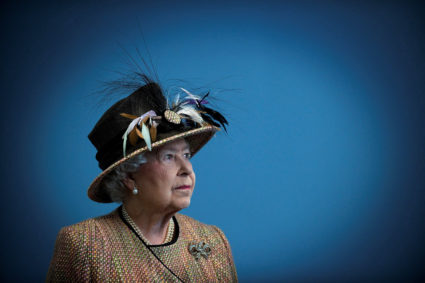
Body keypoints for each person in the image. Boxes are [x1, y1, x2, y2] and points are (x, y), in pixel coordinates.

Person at [46, 76, 238, 282]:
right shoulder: (84, 244)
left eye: (186, 155)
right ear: (129, 176)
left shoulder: (213, 240)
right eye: (168, 157)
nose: (187, 170)